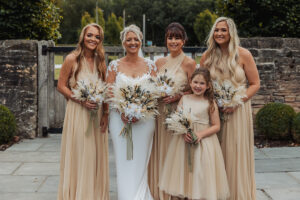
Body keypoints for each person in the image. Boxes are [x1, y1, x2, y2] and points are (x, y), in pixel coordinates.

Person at [200, 17, 260, 200]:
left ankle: (236, 194)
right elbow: (200, 83)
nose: (219, 33)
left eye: (223, 30)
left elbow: (255, 84)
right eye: (216, 30)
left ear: (231, 32)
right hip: (213, 112)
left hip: (238, 111)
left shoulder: (244, 55)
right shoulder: (207, 56)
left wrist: (236, 102)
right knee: (214, 154)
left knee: (235, 154)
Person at [159, 68, 230, 200]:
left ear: (208, 85)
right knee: (185, 170)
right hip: (184, 141)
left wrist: (201, 135)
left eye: (202, 83)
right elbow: (177, 119)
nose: (198, 86)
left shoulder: (210, 102)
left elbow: (216, 126)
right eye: (195, 82)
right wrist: (183, 133)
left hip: (204, 142)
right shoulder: (184, 98)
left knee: (200, 172)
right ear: (190, 83)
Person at [57, 23, 109, 200]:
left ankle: (94, 194)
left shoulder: (100, 61)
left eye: (97, 37)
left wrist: (106, 114)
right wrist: (80, 100)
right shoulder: (72, 59)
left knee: (94, 155)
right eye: (90, 35)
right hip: (78, 112)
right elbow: (61, 85)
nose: (93, 39)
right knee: (80, 153)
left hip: (97, 114)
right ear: (83, 36)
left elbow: (106, 89)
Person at [106, 24, 156, 200]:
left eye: (136, 39)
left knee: (140, 159)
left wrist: (142, 109)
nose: (133, 42)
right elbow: (109, 92)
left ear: (141, 41)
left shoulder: (151, 65)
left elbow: (154, 92)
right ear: (123, 42)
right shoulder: (114, 65)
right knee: (123, 161)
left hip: (145, 121)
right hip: (119, 119)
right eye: (129, 39)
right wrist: (122, 110)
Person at [148, 22, 196, 200]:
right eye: (170, 37)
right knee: (159, 149)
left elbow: (195, 89)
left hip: (177, 112)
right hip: (159, 113)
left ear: (184, 40)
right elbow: (151, 85)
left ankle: (176, 192)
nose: (173, 41)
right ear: (166, 40)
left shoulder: (189, 63)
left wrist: (177, 96)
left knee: (175, 152)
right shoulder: (159, 62)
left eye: (177, 37)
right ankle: (159, 192)